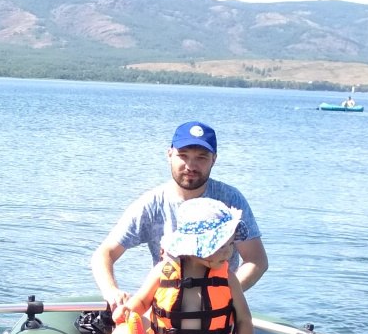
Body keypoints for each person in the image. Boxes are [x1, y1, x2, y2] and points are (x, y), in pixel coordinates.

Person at [90, 119, 266, 321]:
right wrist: (112, 291)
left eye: (201, 157)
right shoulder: (152, 203)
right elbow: (104, 254)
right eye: (183, 156)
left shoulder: (231, 200)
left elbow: (256, 260)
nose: (191, 165)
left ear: (214, 159)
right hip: (166, 307)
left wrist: (223, 292)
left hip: (217, 311)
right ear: (169, 154)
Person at [114, 197, 253, 334]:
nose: (229, 251)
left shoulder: (228, 278)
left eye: (231, 244)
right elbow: (142, 301)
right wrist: (128, 310)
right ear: (195, 245)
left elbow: (243, 319)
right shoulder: (163, 271)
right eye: (221, 245)